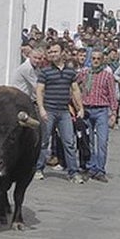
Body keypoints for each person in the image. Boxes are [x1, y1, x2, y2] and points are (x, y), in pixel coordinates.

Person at [35, 40, 86, 183]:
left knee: (69, 142)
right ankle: (38, 169)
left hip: (64, 112)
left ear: (62, 52)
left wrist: (80, 107)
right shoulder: (45, 71)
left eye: (55, 51)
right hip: (49, 110)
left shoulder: (70, 72)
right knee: (44, 141)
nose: (52, 54)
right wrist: (41, 109)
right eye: (50, 52)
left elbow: (75, 90)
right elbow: (39, 90)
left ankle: (73, 172)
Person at [78, 49, 118, 182]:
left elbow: (112, 95)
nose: (95, 61)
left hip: (101, 111)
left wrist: (114, 113)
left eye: (98, 59)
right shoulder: (84, 73)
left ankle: (100, 169)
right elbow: (74, 86)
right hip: (87, 110)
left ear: (102, 60)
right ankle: (91, 167)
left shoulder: (107, 75)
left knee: (102, 141)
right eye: (93, 58)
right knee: (88, 142)